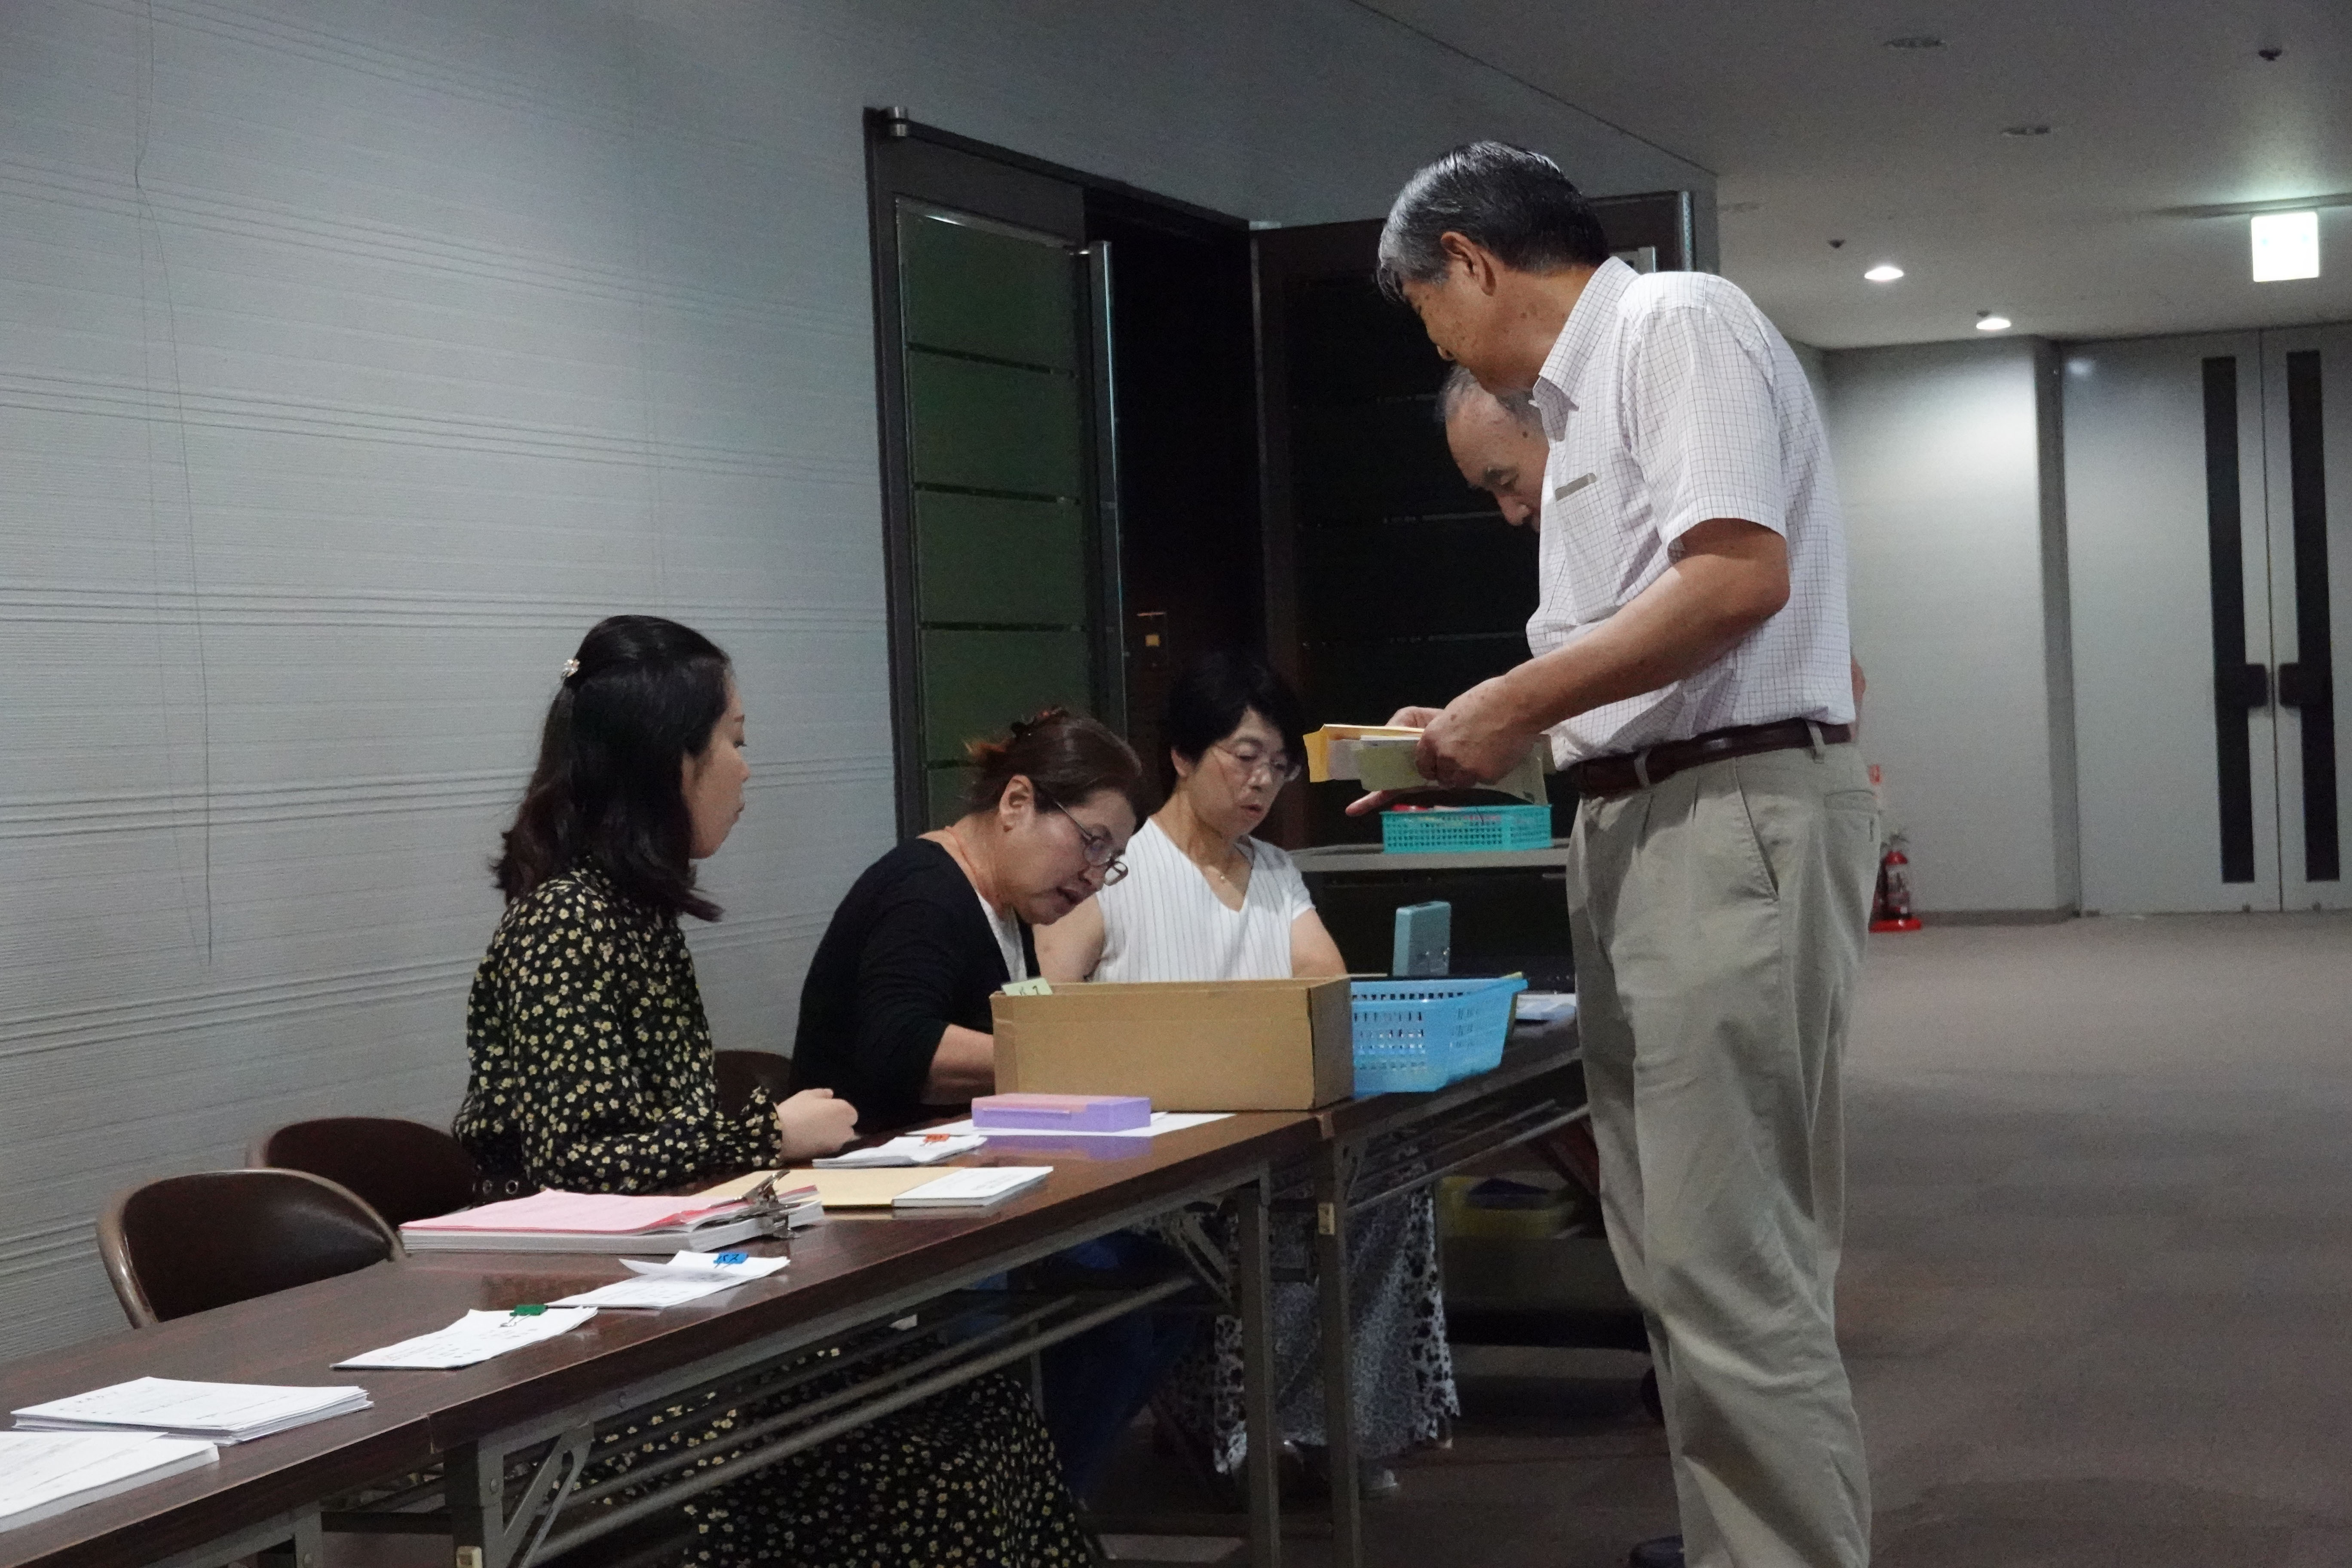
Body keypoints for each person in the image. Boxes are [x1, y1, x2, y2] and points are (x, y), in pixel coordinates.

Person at [1372, 143, 1879, 1568]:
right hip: (1646, 818)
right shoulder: (1585, 401)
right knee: (1675, 1259)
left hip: (1723, 815)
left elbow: (1737, 578)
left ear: (1470, 261)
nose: (1440, 341)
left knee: (1734, 1265)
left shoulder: (1674, 321)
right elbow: (1633, 663)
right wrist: (1480, 727)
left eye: (1429, 312)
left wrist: (1516, 700)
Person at [454, 615, 1092, 1567]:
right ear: (671, 760)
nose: (748, 770)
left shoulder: (636, 917)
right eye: (735, 741)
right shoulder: (566, 924)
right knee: (932, 1463)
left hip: (676, 1309)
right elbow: (576, 1158)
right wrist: (768, 1134)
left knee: (981, 1399)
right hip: (594, 1359)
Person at [1037, 653, 1458, 1501]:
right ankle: (1245, 1425)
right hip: (1158, 1159)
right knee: (1284, 1210)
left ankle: (1335, 1423)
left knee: (1389, 1174)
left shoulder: (1271, 871)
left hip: (1266, 1141)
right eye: (1244, 756)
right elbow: (1045, 1012)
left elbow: (1325, 987)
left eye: (1280, 764)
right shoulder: (1116, 869)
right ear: (1182, 756)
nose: (1263, 781)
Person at [793, 708, 1169, 1500]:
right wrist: (1067, 1060)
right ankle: (1019, 1514)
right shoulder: (925, 890)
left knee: (1158, 1293)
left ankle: (1034, 1510)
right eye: (1091, 843)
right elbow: (901, 1048)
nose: (1093, 876)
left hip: (963, 1194)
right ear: (1016, 803)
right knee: (1097, 1311)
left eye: (1112, 862)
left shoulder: (1003, 907)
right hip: (876, 1211)